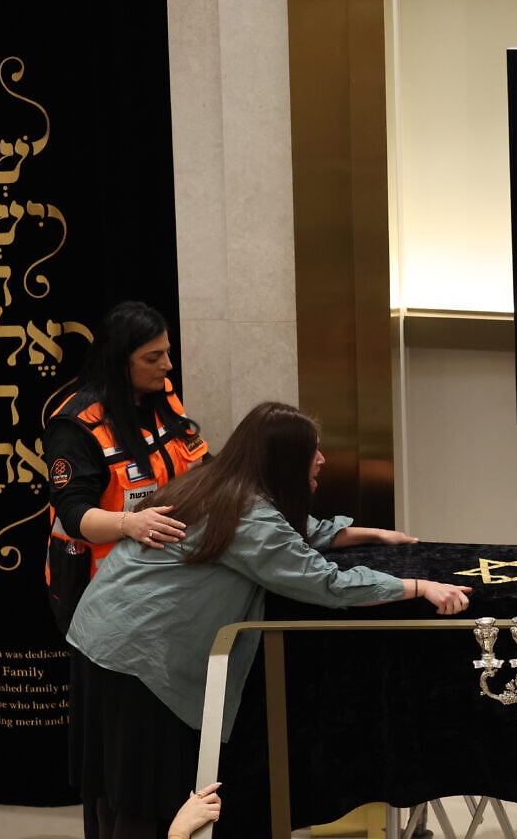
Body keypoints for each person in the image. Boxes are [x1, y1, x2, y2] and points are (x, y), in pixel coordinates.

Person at [66, 401, 472, 839]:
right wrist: (416, 586)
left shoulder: (216, 485)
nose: (321, 460)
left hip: (102, 643)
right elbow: (324, 583)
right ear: (283, 460)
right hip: (137, 663)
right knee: (147, 802)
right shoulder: (247, 514)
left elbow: (295, 531)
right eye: (312, 451)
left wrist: (368, 533)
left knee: (116, 791)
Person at [44, 300, 208, 635]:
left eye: (166, 352)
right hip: (101, 595)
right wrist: (130, 523)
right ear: (120, 362)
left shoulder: (164, 397)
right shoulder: (76, 425)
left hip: (168, 579)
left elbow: (198, 462)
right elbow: (74, 515)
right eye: (153, 358)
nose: (167, 366)